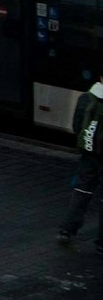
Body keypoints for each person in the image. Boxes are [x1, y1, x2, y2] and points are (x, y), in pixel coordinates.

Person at [58, 78, 103, 248]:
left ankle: (67, 230)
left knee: (81, 192)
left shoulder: (85, 98)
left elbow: (77, 125)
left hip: (88, 155)